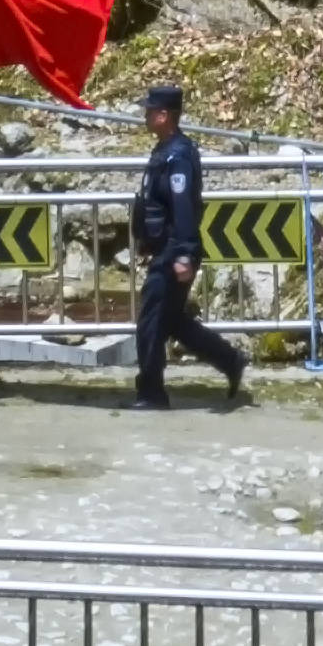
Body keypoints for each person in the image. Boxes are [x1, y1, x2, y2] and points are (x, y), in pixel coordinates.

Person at [126, 78, 248, 407]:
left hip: (174, 250)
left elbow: (182, 209)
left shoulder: (178, 156)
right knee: (171, 320)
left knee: (151, 322)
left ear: (164, 115)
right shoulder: (165, 150)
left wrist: (183, 254)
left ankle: (151, 392)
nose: (146, 116)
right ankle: (229, 359)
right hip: (164, 247)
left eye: (150, 111)